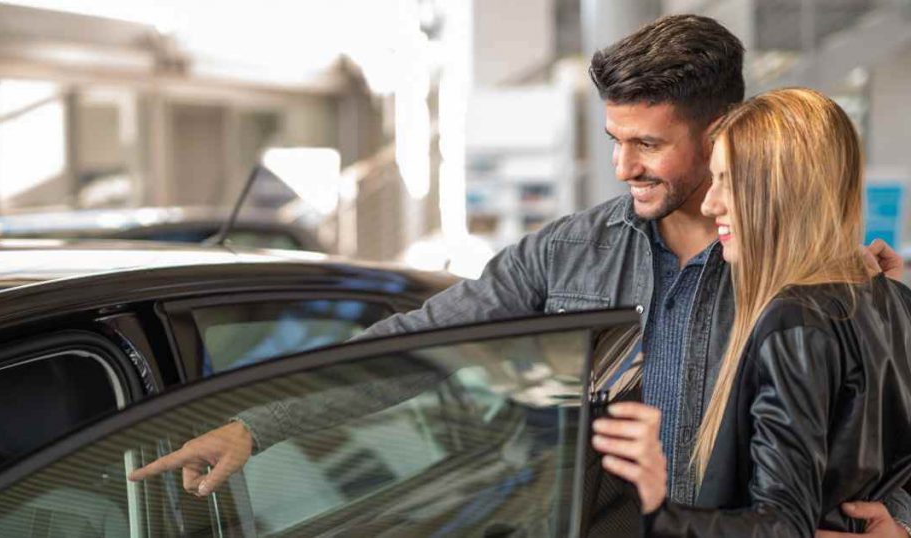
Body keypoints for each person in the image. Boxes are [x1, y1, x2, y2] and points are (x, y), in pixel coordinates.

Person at [130, 15, 911, 534]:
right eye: (613, 137)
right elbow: (422, 344)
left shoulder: (823, 282)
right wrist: (258, 423)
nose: (621, 165)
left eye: (646, 143)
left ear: (721, 132)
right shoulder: (567, 253)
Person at [593, 87, 911, 536]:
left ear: (780, 191)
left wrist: (656, 511)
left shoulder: (794, 322)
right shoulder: (894, 303)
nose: (709, 203)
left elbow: (781, 527)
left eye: (727, 181)